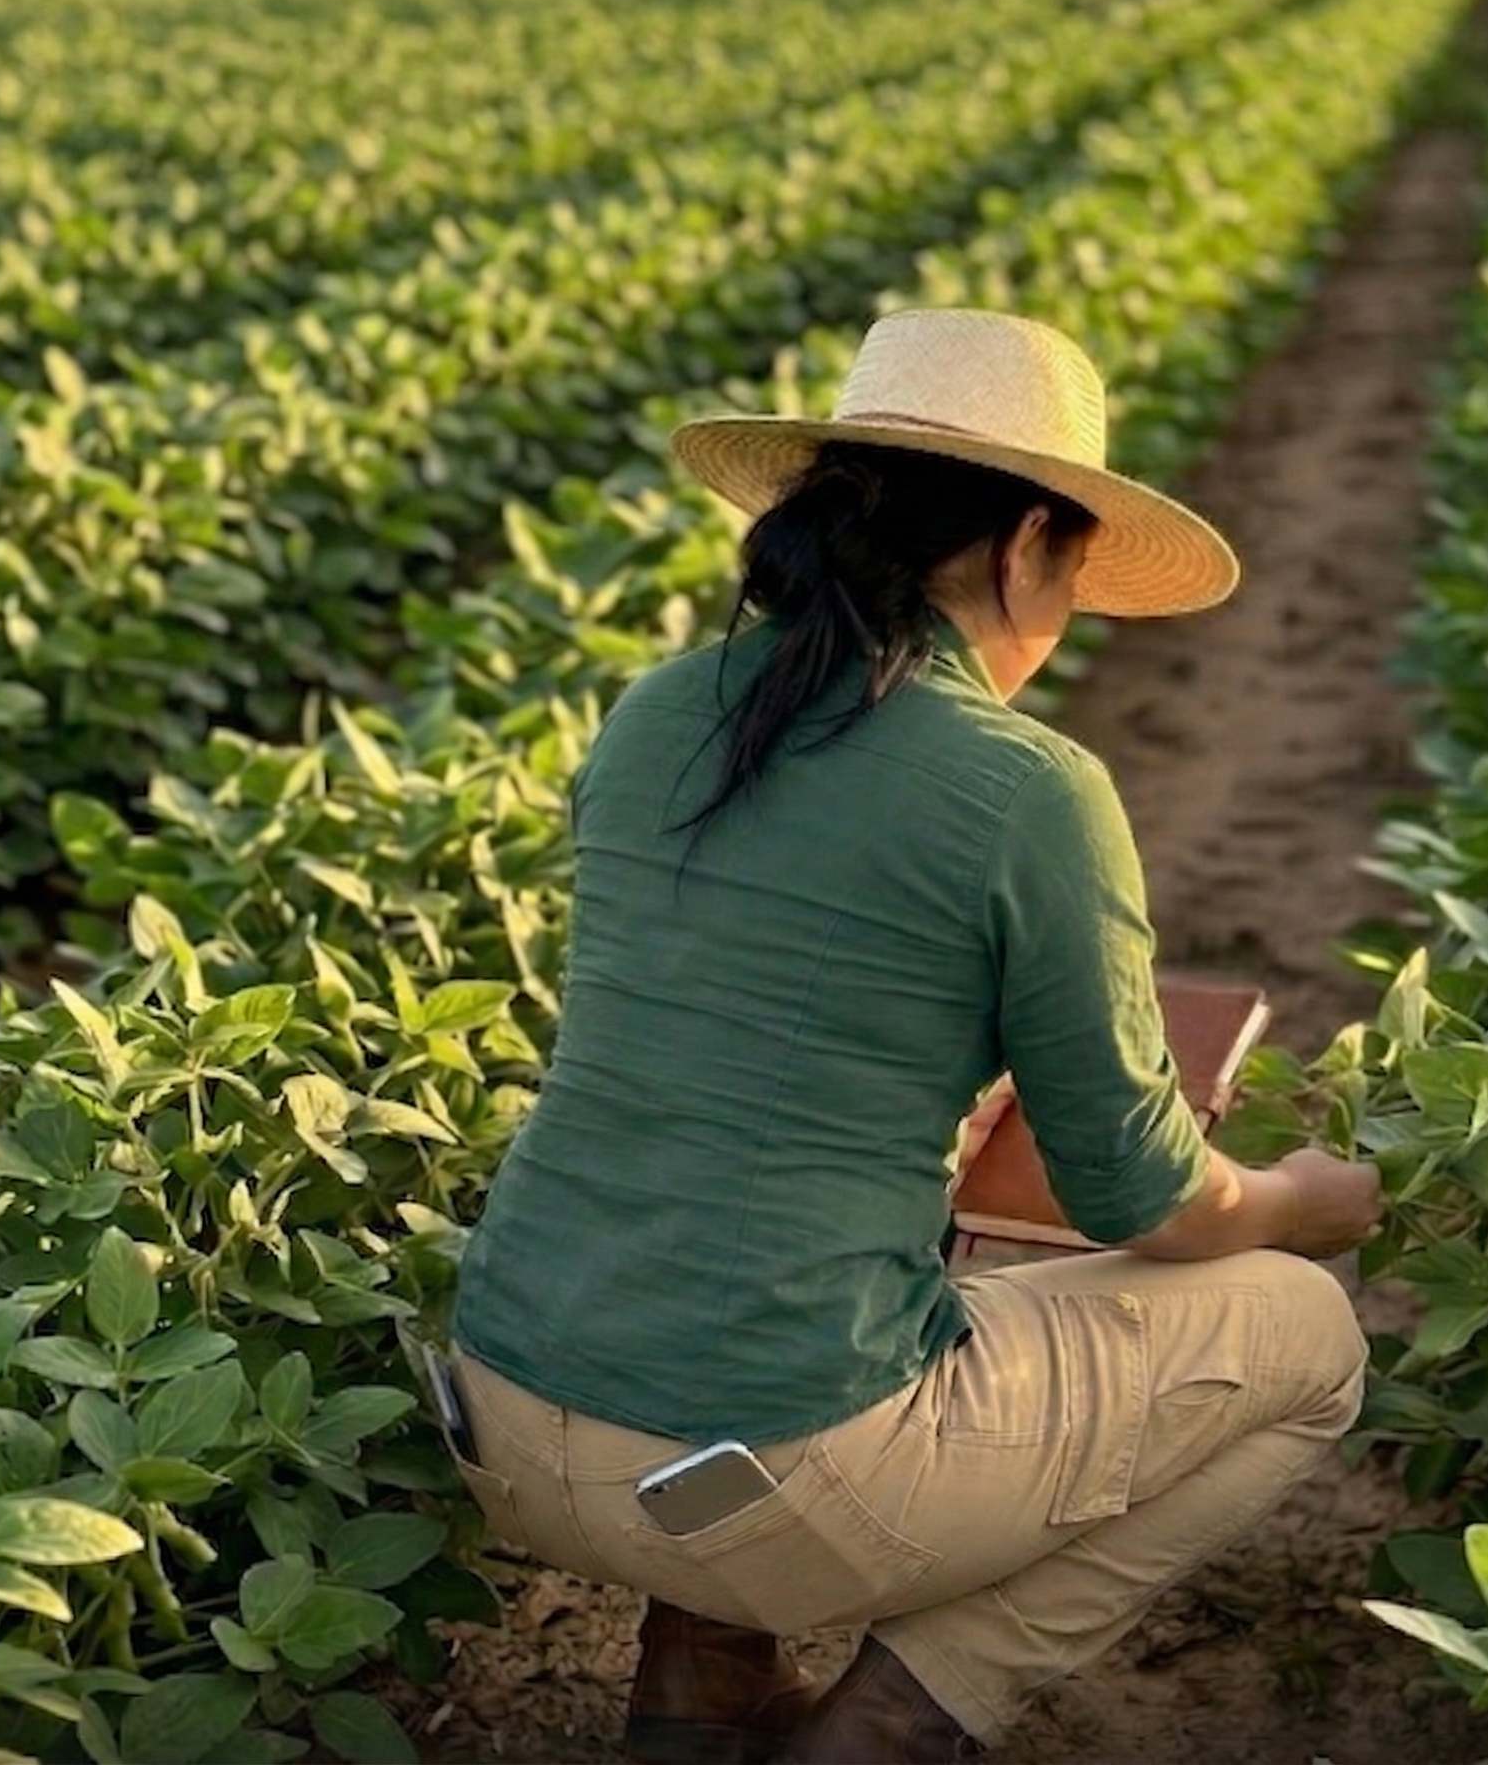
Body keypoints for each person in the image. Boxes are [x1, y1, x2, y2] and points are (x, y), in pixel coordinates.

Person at [449, 308, 1384, 1765]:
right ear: (1027, 548)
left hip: (501, 1414)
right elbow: (1143, 1198)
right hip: (759, 1479)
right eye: (1073, 575)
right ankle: (890, 1728)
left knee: (798, 1256)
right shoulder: (1027, 786)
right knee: (1308, 1341)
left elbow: (726, 1046)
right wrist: (1304, 1200)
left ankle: (696, 1698)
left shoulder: (659, 713)